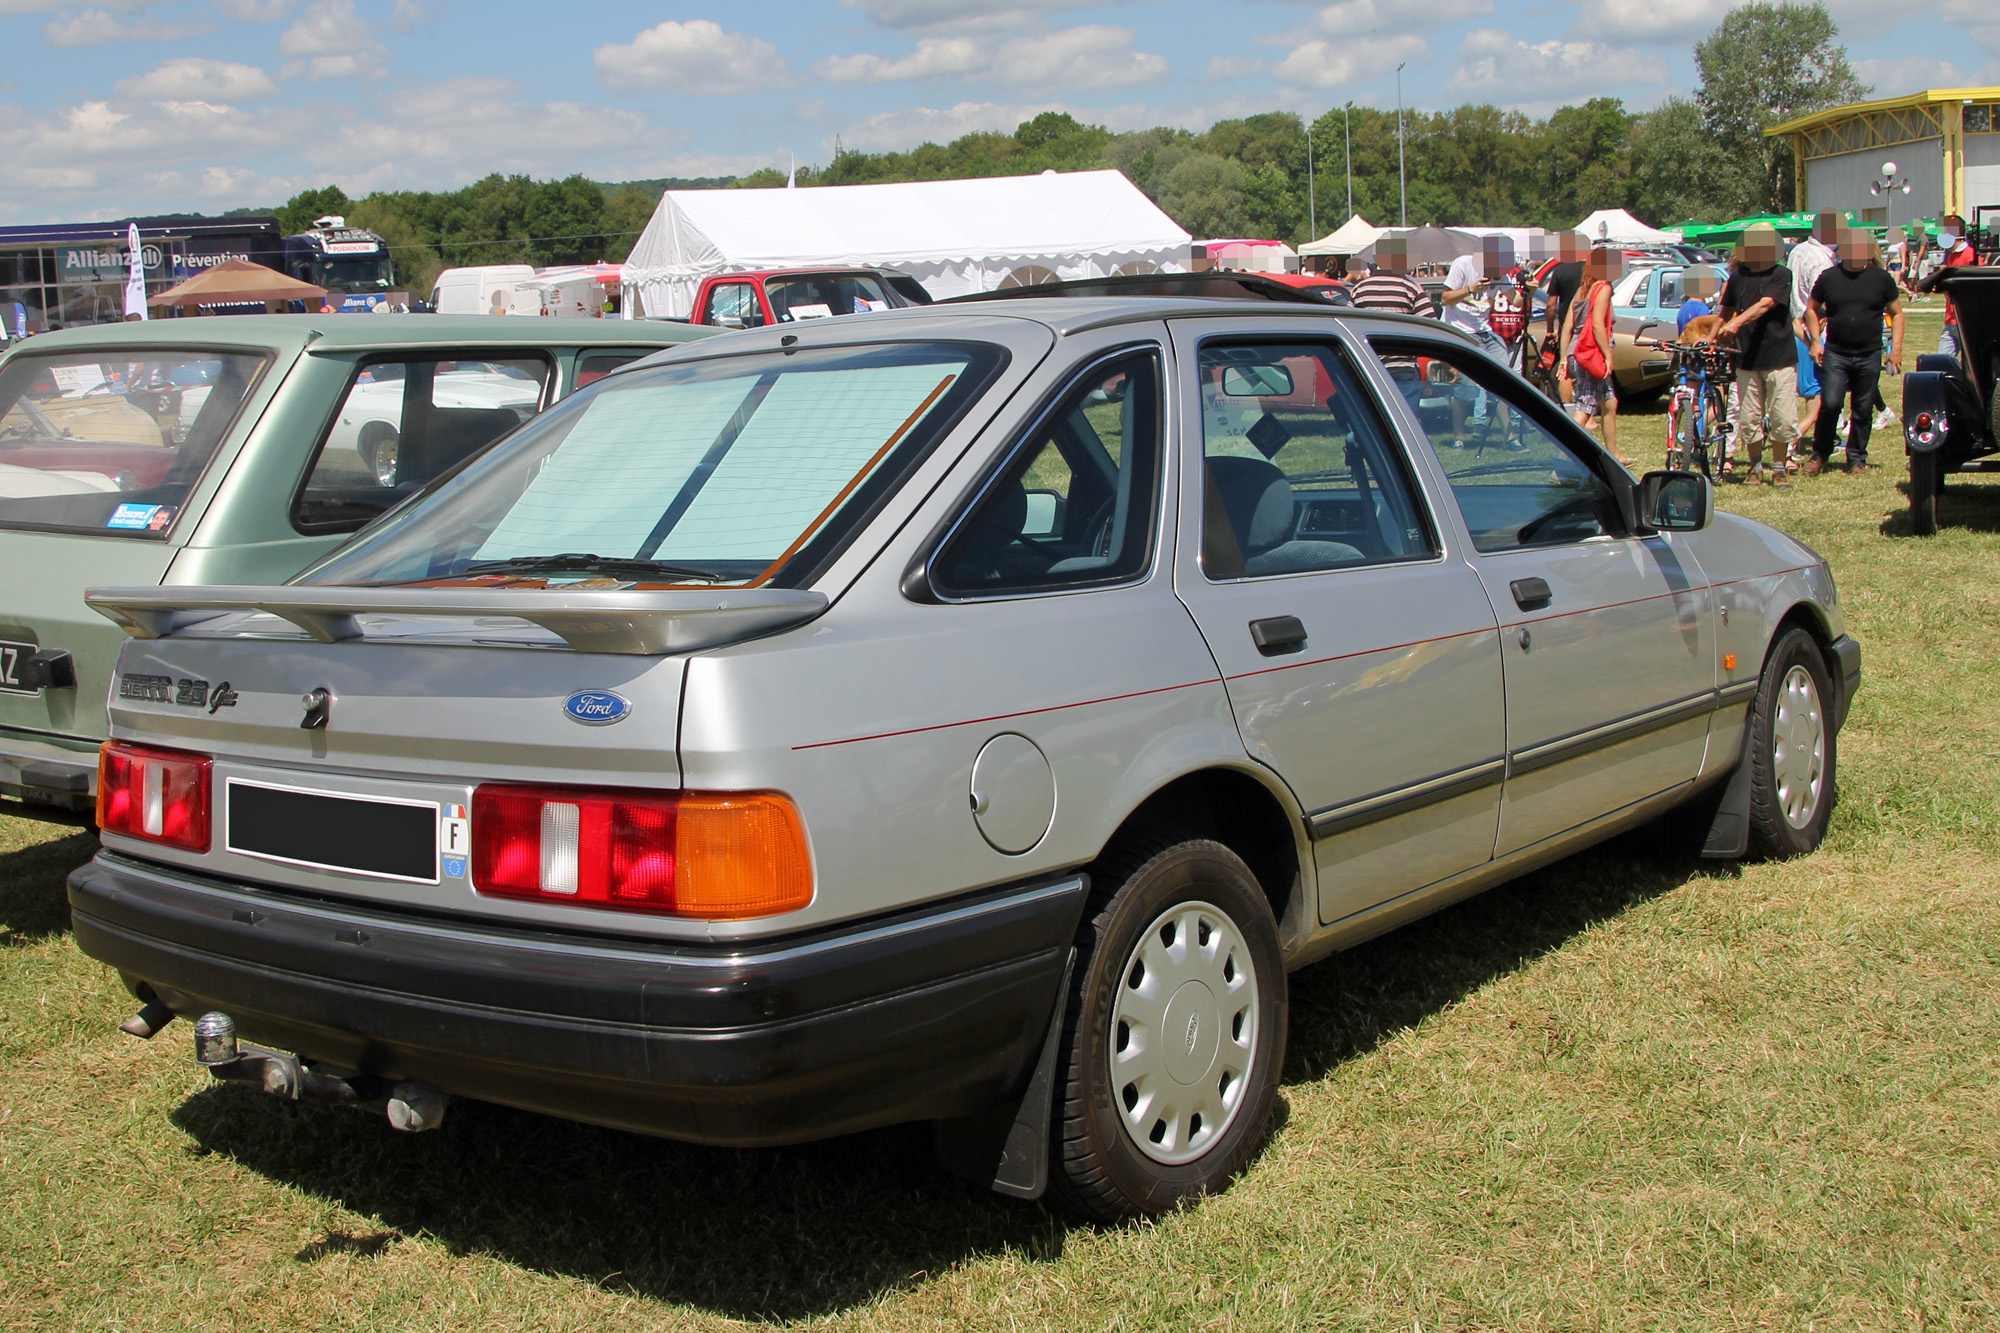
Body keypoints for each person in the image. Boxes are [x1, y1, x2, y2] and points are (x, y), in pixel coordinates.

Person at [1804, 226, 1902, 476]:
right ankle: (1820, 453)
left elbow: (1897, 314)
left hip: (1869, 353)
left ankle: (1857, 458)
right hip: (1836, 353)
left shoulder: (1881, 279)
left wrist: (1896, 349)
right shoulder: (1829, 277)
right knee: (1831, 404)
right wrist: (1816, 340)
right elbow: (1811, 310)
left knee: (1863, 407)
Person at [1717, 223, 1797, 487]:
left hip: (1779, 355)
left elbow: (1767, 304)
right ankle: (1755, 467)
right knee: (1749, 417)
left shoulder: (1782, 274)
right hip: (1747, 357)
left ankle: (1779, 467)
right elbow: (1725, 311)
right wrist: (1712, 336)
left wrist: (1736, 324)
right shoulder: (1738, 276)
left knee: (1782, 416)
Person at [1557, 246, 1626, 463]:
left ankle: (1614, 454)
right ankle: (1560, 460)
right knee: (1584, 408)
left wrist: (1563, 358)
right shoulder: (1603, 288)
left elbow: (1567, 326)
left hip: (1575, 353)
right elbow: (1597, 325)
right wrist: (1607, 354)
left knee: (1609, 402)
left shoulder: (1581, 290)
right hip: (1591, 354)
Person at [1787, 214, 1839, 470]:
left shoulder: (1798, 250)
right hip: (1814, 330)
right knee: (1819, 396)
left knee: (1811, 392)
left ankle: (1805, 440)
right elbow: (1823, 297)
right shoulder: (1821, 260)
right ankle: (1790, 442)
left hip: (1795, 326)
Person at [1919, 214, 1978, 363]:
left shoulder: (1971, 255)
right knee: (1942, 362)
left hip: (1965, 320)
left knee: (1970, 365)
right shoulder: (1951, 257)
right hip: (1951, 319)